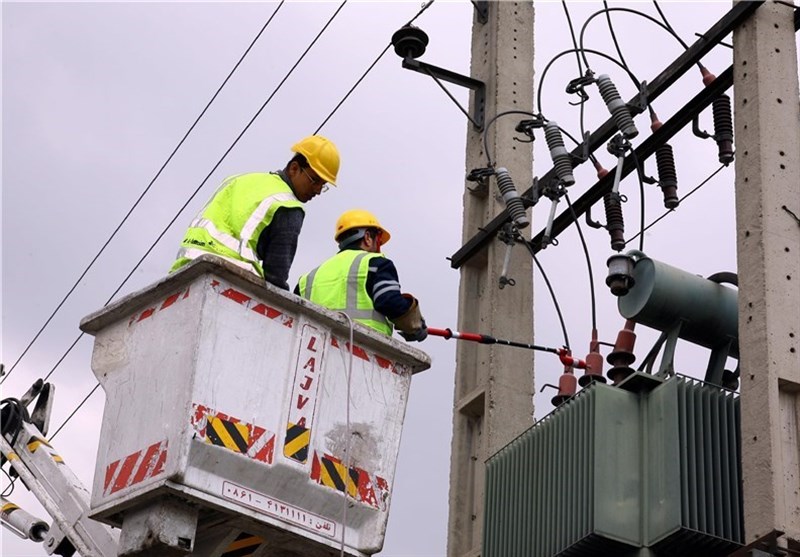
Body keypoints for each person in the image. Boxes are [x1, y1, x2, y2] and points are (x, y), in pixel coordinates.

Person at [170, 135, 339, 290]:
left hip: (184, 269)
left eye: (323, 185)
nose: (317, 190)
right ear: (294, 168)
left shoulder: (239, 180)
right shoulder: (288, 206)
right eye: (314, 180)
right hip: (230, 279)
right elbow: (276, 276)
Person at [295, 209, 427, 342]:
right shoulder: (375, 264)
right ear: (368, 237)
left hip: (314, 351)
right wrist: (415, 326)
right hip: (363, 350)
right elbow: (389, 302)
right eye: (379, 241)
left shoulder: (309, 278)